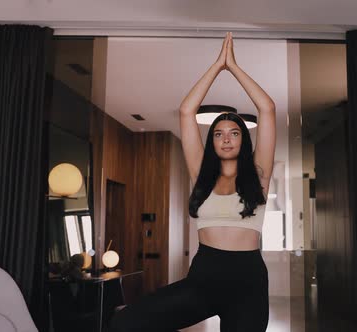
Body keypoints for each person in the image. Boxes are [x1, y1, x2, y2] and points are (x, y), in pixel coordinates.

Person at [110, 31, 276, 332]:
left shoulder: (259, 174)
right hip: (204, 277)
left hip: (248, 283)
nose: (226, 139)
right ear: (211, 141)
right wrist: (217, 65)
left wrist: (234, 67)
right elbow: (187, 111)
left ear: (244, 139)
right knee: (127, 321)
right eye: (218, 133)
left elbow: (268, 109)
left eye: (234, 133)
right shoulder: (202, 174)